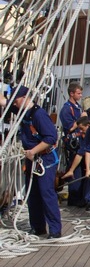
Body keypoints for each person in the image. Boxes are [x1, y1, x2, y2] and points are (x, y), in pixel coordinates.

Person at [0, 86, 62, 238]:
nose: (13, 104)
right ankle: (38, 227)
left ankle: (55, 230)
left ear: (24, 98)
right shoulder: (22, 111)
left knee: (46, 194)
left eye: (15, 100)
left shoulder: (38, 115)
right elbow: (4, 102)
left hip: (43, 159)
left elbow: (51, 138)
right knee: (32, 194)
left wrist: (33, 151)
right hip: (31, 160)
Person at [59, 82, 86, 207]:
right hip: (73, 143)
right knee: (75, 170)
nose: (80, 96)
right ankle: (74, 199)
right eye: (78, 93)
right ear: (71, 93)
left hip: (82, 141)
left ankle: (81, 196)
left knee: (83, 169)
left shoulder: (78, 107)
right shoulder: (66, 109)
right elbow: (69, 128)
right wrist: (81, 118)